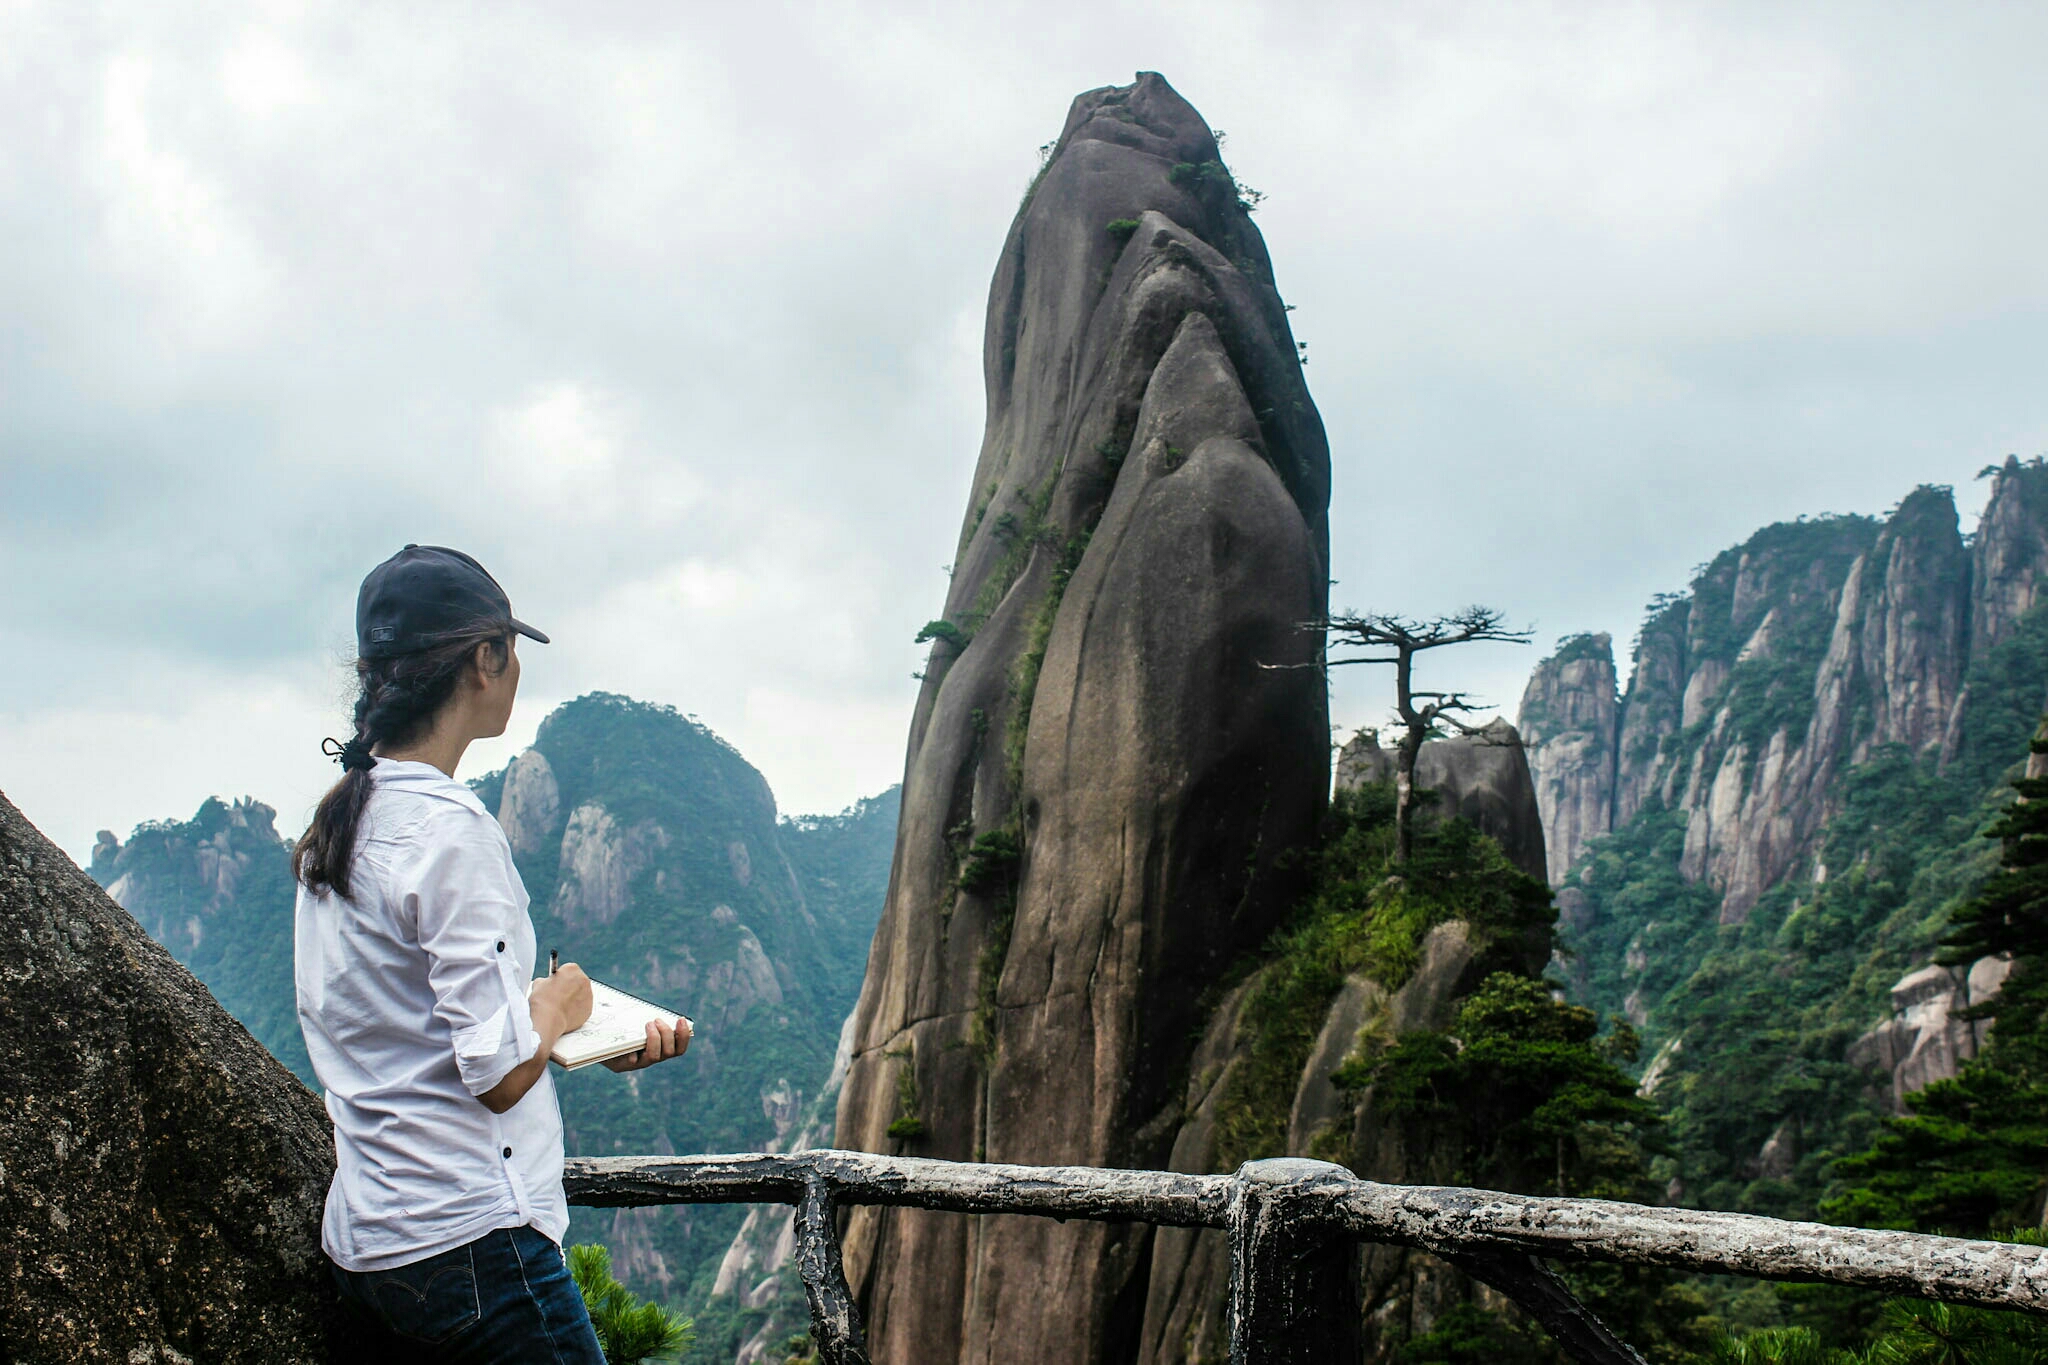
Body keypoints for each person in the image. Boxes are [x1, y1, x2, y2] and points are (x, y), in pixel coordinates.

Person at [293, 544, 691, 1363]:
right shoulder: (452, 830)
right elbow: (499, 1072)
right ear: (485, 658)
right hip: (474, 1245)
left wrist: (580, 1039)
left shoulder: (345, 823)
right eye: (510, 652)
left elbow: (408, 1031)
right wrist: (562, 1003)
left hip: (373, 1242)